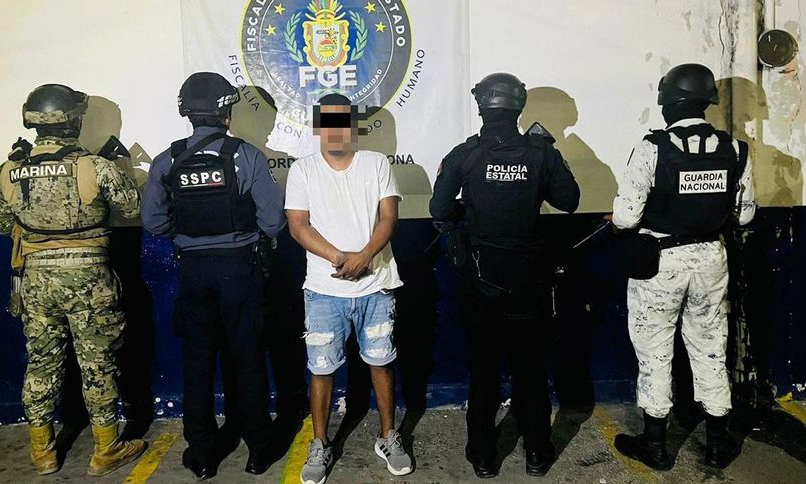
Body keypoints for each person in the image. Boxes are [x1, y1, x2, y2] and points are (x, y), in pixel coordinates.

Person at [0, 83, 146, 476]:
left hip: (37, 281)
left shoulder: (8, 171)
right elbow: (131, 209)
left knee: (41, 362)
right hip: (89, 278)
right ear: (73, 121)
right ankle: (106, 449)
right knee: (98, 363)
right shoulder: (96, 166)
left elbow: (1, 225)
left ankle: (43, 453)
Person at [429, 73, 580, 478]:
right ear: (519, 106)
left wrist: (467, 207)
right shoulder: (541, 152)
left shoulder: (466, 154)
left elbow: (438, 210)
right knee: (530, 369)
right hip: (529, 279)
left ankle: (483, 456)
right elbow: (569, 200)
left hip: (481, 279)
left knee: (484, 369)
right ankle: (537, 453)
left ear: (482, 106)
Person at [141, 72, 286, 479]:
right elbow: (273, 222)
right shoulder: (247, 156)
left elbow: (153, 221)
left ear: (187, 112)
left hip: (194, 271)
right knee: (249, 359)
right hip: (239, 270)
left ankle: (203, 454)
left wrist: (189, 234)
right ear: (226, 113)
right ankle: (259, 450)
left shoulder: (167, 160)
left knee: (198, 362)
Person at [610, 63, 755, 470]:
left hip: (661, 262)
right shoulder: (736, 150)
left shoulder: (652, 148)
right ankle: (717, 445)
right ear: (706, 103)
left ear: (668, 103)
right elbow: (744, 215)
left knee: (655, 352)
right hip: (711, 259)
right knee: (710, 348)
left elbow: (625, 217)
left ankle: (655, 445)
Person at [286, 94, 413, 484]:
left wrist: (365, 256)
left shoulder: (376, 164)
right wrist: (340, 257)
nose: (336, 131)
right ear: (317, 128)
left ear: (354, 126)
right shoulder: (303, 170)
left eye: (343, 122)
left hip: (376, 286)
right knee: (321, 369)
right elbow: (298, 225)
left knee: (381, 362)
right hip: (324, 290)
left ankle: (388, 436)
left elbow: (388, 217)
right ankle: (321, 443)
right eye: (329, 123)